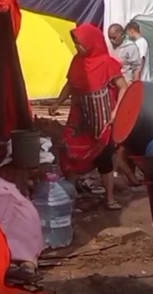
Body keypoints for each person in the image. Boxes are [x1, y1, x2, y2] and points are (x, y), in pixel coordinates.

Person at [49, 24, 128, 210]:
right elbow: (70, 85)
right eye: (76, 43)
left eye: (80, 43)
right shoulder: (77, 61)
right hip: (79, 117)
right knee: (69, 152)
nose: (77, 47)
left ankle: (109, 198)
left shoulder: (107, 63)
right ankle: (70, 196)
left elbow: (123, 87)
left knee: (104, 157)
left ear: (91, 43)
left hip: (103, 120)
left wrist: (116, 112)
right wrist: (58, 102)